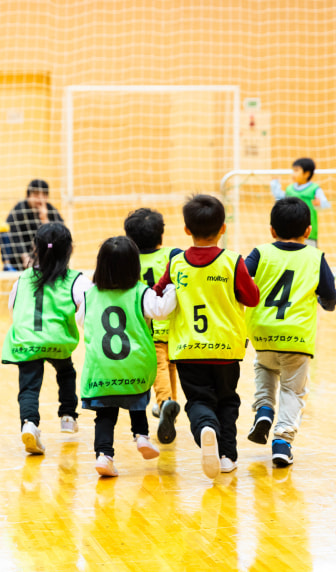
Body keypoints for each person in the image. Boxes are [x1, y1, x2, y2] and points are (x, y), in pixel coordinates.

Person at [153, 194, 260, 479]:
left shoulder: (176, 263)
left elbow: (157, 293)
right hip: (226, 350)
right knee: (227, 400)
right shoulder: (233, 262)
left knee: (198, 402)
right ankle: (226, 456)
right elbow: (252, 298)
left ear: (187, 230)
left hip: (188, 350)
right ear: (223, 228)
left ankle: (205, 429)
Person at [243, 197, 336, 467]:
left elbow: (242, 280)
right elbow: (329, 298)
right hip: (296, 336)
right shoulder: (315, 257)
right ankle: (282, 441)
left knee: (264, 367)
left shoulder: (260, 253)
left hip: (262, 333)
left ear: (271, 230)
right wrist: (323, 302)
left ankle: (263, 409)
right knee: (293, 391)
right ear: (308, 231)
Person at [79, 236, 177, 477]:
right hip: (134, 363)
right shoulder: (140, 292)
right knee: (137, 399)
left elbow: (81, 321)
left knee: (105, 413)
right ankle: (141, 436)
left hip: (101, 366)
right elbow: (161, 310)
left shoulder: (89, 295)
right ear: (135, 265)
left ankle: (104, 455)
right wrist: (174, 286)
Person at [2, 222, 88, 455]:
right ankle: (68, 416)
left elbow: (13, 308)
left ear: (35, 249)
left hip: (27, 340)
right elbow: (87, 310)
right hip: (58, 341)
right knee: (66, 372)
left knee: (29, 387)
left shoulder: (22, 278)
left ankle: (29, 424)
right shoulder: (75, 279)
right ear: (69, 249)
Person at [124, 207, 183, 444]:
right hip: (174, 324)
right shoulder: (174, 255)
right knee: (169, 366)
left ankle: (165, 403)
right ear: (161, 235)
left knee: (160, 365)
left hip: (147, 326)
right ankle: (168, 405)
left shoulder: (129, 260)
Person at [3, 179, 64, 271]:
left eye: (44, 194)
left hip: (44, 259)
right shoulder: (19, 209)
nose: (40, 198)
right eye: (36, 194)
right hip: (19, 259)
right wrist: (25, 257)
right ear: (28, 196)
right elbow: (13, 236)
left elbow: (60, 236)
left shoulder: (51, 210)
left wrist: (45, 220)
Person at [270, 158, 330, 247]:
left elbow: (325, 204)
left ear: (307, 174)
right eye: (293, 170)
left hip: (308, 231)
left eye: (296, 170)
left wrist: (320, 204)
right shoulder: (290, 189)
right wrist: (275, 183)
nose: (293, 173)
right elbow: (280, 199)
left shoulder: (314, 189)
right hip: (289, 229)